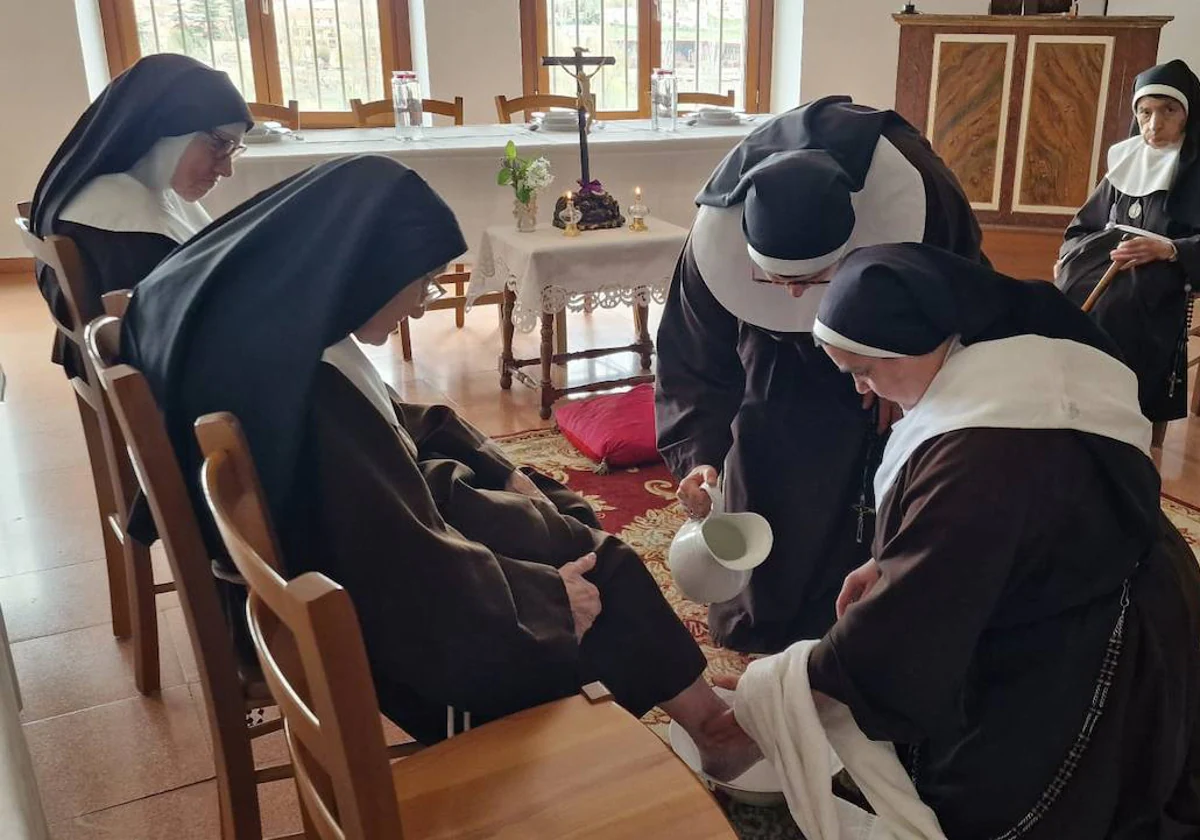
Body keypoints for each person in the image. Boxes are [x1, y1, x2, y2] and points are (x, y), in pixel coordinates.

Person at [120, 154, 760, 778]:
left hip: (355, 562)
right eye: (423, 282)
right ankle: (678, 742)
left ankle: (706, 724)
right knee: (596, 571)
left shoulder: (270, 325)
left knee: (561, 524)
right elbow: (396, 564)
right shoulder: (311, 395)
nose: (425, 305)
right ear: (365, 269)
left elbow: (389, 430)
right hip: (388, 633)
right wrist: (538, 600)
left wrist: (490, 465)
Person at [710, 244, 1200, 838]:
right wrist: (889, 560)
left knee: (1007, 803)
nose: (865, 391)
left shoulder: (982, 456)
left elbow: (911, 620)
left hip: (1101, 636)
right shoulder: (1008, 365)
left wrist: (785, 692)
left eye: (865, 370)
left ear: (912, 344)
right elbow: (958, 548)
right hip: (1087, 579)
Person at [655, 96, 988, 653]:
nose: (791, 293)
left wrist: (907, 371)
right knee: (766, 451)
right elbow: (693, 355)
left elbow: (965, 298)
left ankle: (861, 625)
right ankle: (764, 617)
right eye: (774, 277)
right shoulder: (714, 241)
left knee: (873, 484)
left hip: (889, 344)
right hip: (774, 355)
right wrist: (701, 457)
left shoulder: (916, 196)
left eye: (812, 277)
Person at [29, 53, 251, 379]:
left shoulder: (128, 191)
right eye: (219, 144)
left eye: (233, 150)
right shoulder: (115, 224)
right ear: (166, 129)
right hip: (158, 388)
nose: (226, 168)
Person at [1057, 60, 1200, 438]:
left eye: (1169, 111)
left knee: (1121, 306)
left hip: (1165, 270)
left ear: (1188, 114)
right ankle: (1068, 409)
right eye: (1145, 112)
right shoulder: (1126, 159)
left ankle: (1120, 419)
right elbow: (1082, 226)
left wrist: (1168, 249)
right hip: (1107, 262)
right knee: (1063, 295)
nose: (1154, 125)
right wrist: (1069, 257)